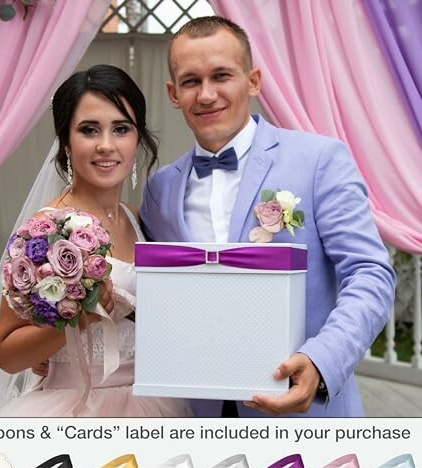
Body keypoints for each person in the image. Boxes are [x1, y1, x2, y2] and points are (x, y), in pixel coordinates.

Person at [139, 16, 396, 418]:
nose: (206, 94)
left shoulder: (319, 160)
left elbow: (371, 273)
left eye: (222, 75)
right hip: (201, 415)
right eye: (191, 81)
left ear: (253, 81)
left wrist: (320, 361)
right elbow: (158, 297)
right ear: (173, 93)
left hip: (306, 413)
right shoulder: (159, 190)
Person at [0, 65, 191, 417]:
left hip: (151, 403)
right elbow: (7, 354)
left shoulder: (135, 218)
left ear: (138, 138)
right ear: (66, 142)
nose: (107, 145)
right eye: (89, 130)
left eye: (121, 129)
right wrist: (80, 318)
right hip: (77, 407)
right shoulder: (46, 231)